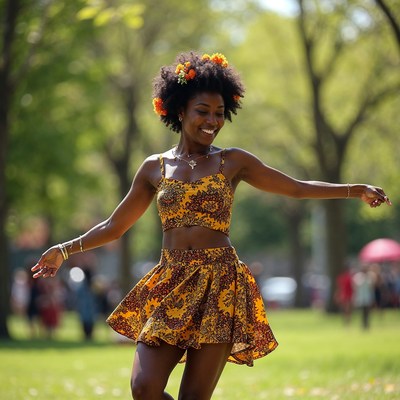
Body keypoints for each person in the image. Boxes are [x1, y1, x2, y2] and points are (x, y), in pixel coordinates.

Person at [31, 51, 391, 399]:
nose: (212, 121)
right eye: (202, 111)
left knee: (193, 396)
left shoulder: (233, 162)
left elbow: (295, 188)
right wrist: (64, 249)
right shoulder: (154, 168)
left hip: (220, 283)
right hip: (170, 281)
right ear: (180, 110)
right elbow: (115, 225)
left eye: (219, 113)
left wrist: (355, 190)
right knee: (144, 388)